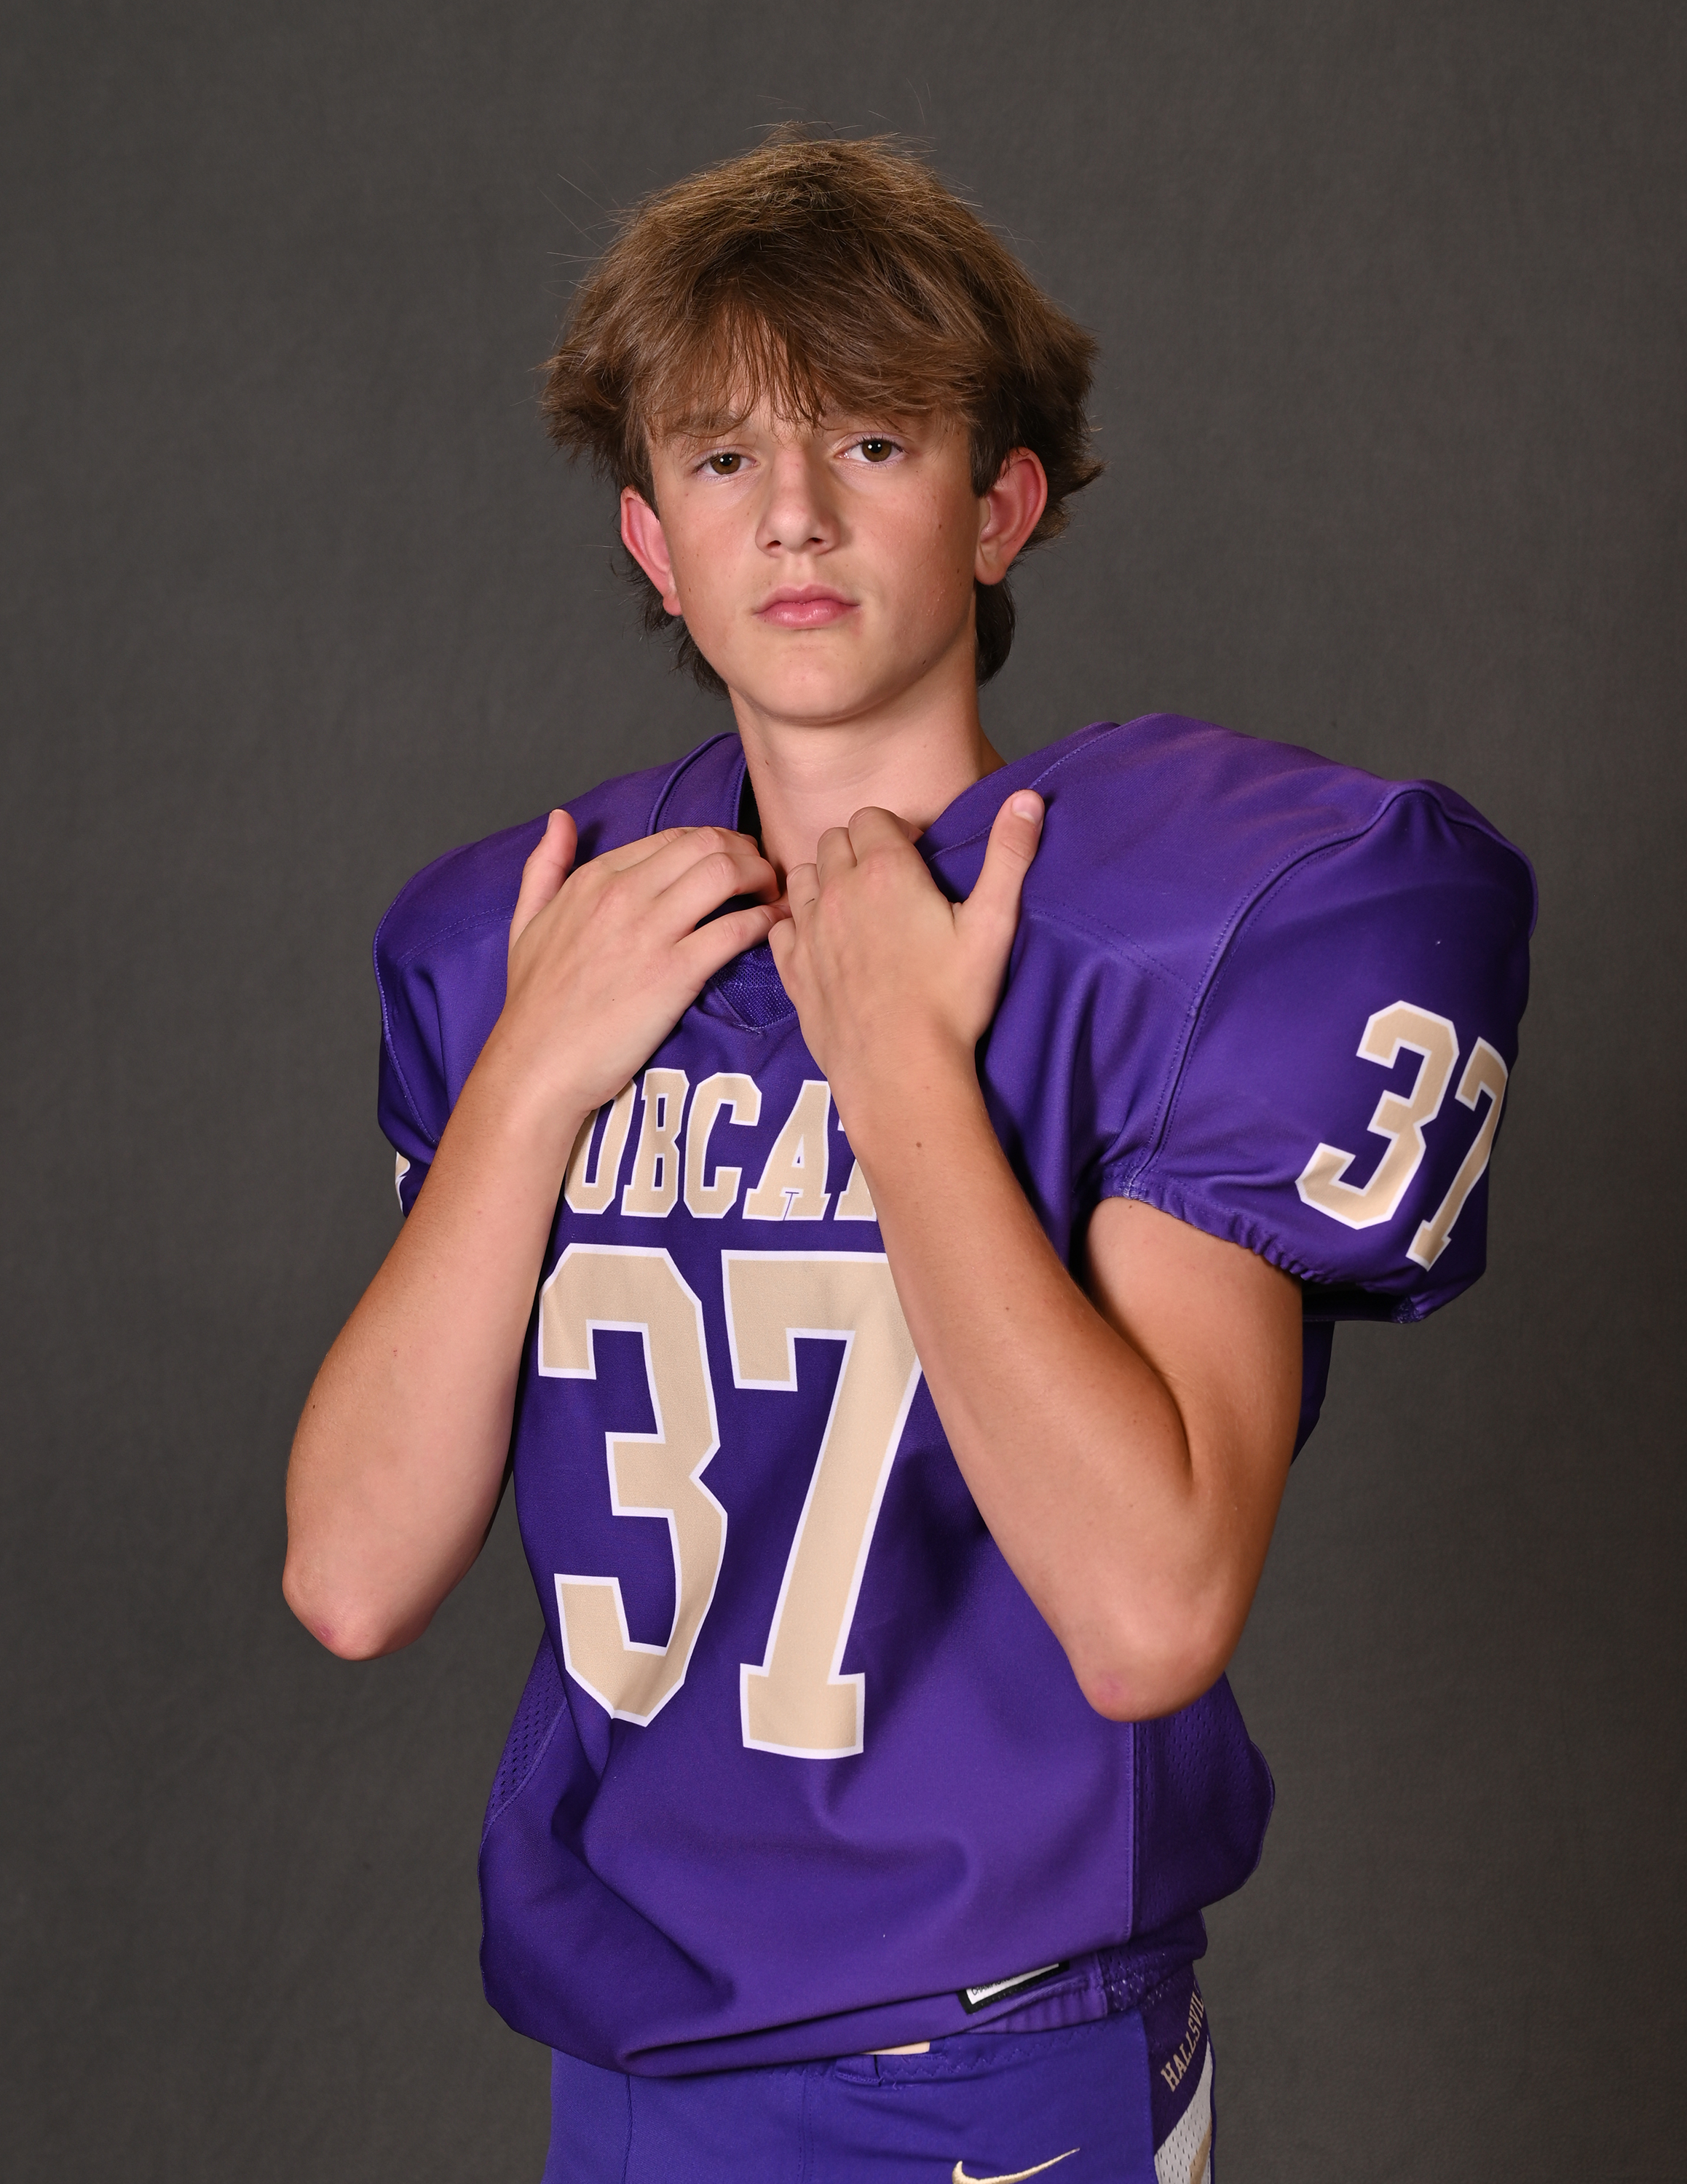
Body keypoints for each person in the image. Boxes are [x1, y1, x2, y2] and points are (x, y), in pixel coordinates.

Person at [283, 132, 1534, 2183]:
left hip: (991, 2052)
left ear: (1000, 506)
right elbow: (350, 1577)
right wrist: (524, 1087)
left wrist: (898, 1065)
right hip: (628, 2053)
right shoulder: (542, 944)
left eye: (870, 441)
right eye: (722, 459)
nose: (792, 512)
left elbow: (1148, 1608)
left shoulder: (1159, 931)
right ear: (651, 541)